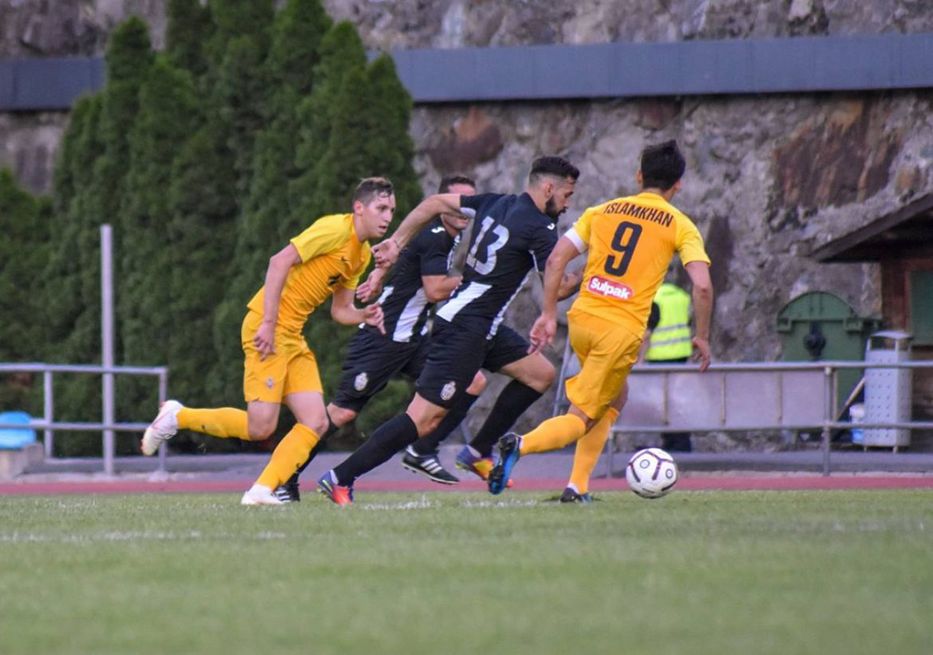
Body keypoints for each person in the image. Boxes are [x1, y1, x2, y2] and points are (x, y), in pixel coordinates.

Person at [317, 156, 582, 505]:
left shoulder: (495, 202)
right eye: (566, 194)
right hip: (465, 327)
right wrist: (592, 264)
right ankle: (340, 477)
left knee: (540, 374)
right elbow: (558, 287)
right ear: (548, 188)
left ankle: (478, 451)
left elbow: (433, 203)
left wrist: (396, 241)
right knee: (424, 419)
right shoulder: (540, 227)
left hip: (481, 324)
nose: (567, 203)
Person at [140, 177, 394, 505]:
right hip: (269, 329)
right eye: (381, 208)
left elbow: (340, 310)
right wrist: (268, 323)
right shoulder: (335, 229)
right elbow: (279, 261)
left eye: (391, 210)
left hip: (293, 336)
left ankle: (261, 490)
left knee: (316, 422)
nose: (388, 217)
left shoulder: (361, 254)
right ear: (359, 208)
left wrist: (363, 315)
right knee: (261, 427)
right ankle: (178, 417)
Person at [486, 140, 714, 499]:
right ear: (678, 184)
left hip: (583, 319)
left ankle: (577, 486)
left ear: (639, 176)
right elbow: (701, 286)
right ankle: (520, 445)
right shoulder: (680, 225)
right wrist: (701, 335)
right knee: (581, 417)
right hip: (619, 331)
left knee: (616, 396)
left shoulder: (602, 211)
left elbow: (555, 260)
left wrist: (549, 312)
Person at [271, 175, 486, 502]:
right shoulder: (436, 236)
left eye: (468, 204)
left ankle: (423, 450)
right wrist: (476, 281)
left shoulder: (445, 237)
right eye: (456, 202)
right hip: (383, 336)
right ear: (441, 204)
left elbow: (397, 255)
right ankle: (283, 477)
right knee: (341, 414)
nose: (463, 211)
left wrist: (377, 275)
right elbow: (434, 289)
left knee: (472, 381)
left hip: (414, 338)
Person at [645, 280, 695, 452]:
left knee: (663, 403)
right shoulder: (682, 296)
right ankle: (681, 441)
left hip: (659, 358)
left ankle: (674, 442)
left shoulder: (652, 297)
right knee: (677, 400)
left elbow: (646, 332)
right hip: (681, 356)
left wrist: (638, 360)